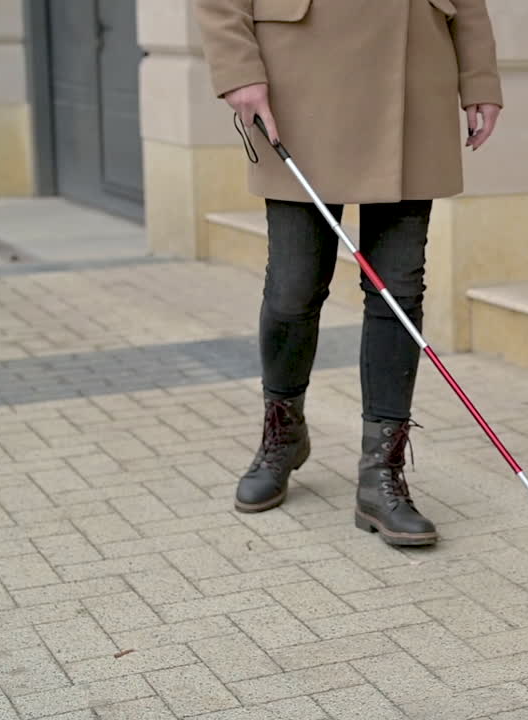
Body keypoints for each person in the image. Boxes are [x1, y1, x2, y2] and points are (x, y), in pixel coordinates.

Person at [194, 0, 502, 547]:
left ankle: (380, 474)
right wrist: (239, 70)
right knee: (293, 288)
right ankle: (283, 433)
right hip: (300, 84)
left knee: (399, 290)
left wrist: (478, 76)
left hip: (412, 78)